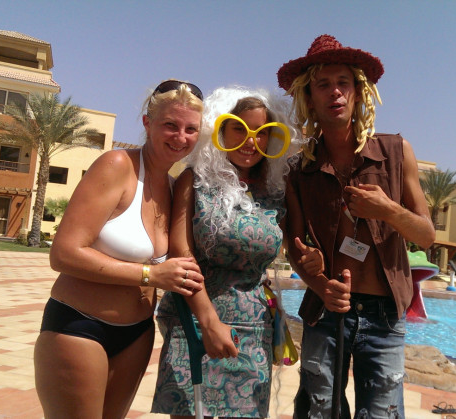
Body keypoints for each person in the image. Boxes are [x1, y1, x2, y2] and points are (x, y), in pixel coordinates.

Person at [278, 34, 436, 418]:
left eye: (343, 83)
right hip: (325, 310)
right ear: (309, 97)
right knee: (319, 412)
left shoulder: (396, 152)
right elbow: (295, 249)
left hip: (384, 316)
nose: (335, 92)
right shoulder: (299, 170)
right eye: (323, 84)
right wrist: (320, 283)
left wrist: (389, 211)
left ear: (358, 91)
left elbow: (426, 236)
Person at [33, 79, 206, 419]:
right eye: (170, 125)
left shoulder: (174, 188)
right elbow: (64, 253)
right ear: (147, 122)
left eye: (190, 129)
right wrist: (151, 274)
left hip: (137, 334)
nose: (180, 137)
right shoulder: (117, 165)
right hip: (80, 326)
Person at [152, 86, 301, 418]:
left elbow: (298, 246)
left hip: (254, 327)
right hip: (195, 319)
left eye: (262, 132)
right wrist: (208, 322)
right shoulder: (194, 181)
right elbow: (181, 255)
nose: (251, 140)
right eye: (239, 128)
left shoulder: (276, 190)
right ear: (219, 130)